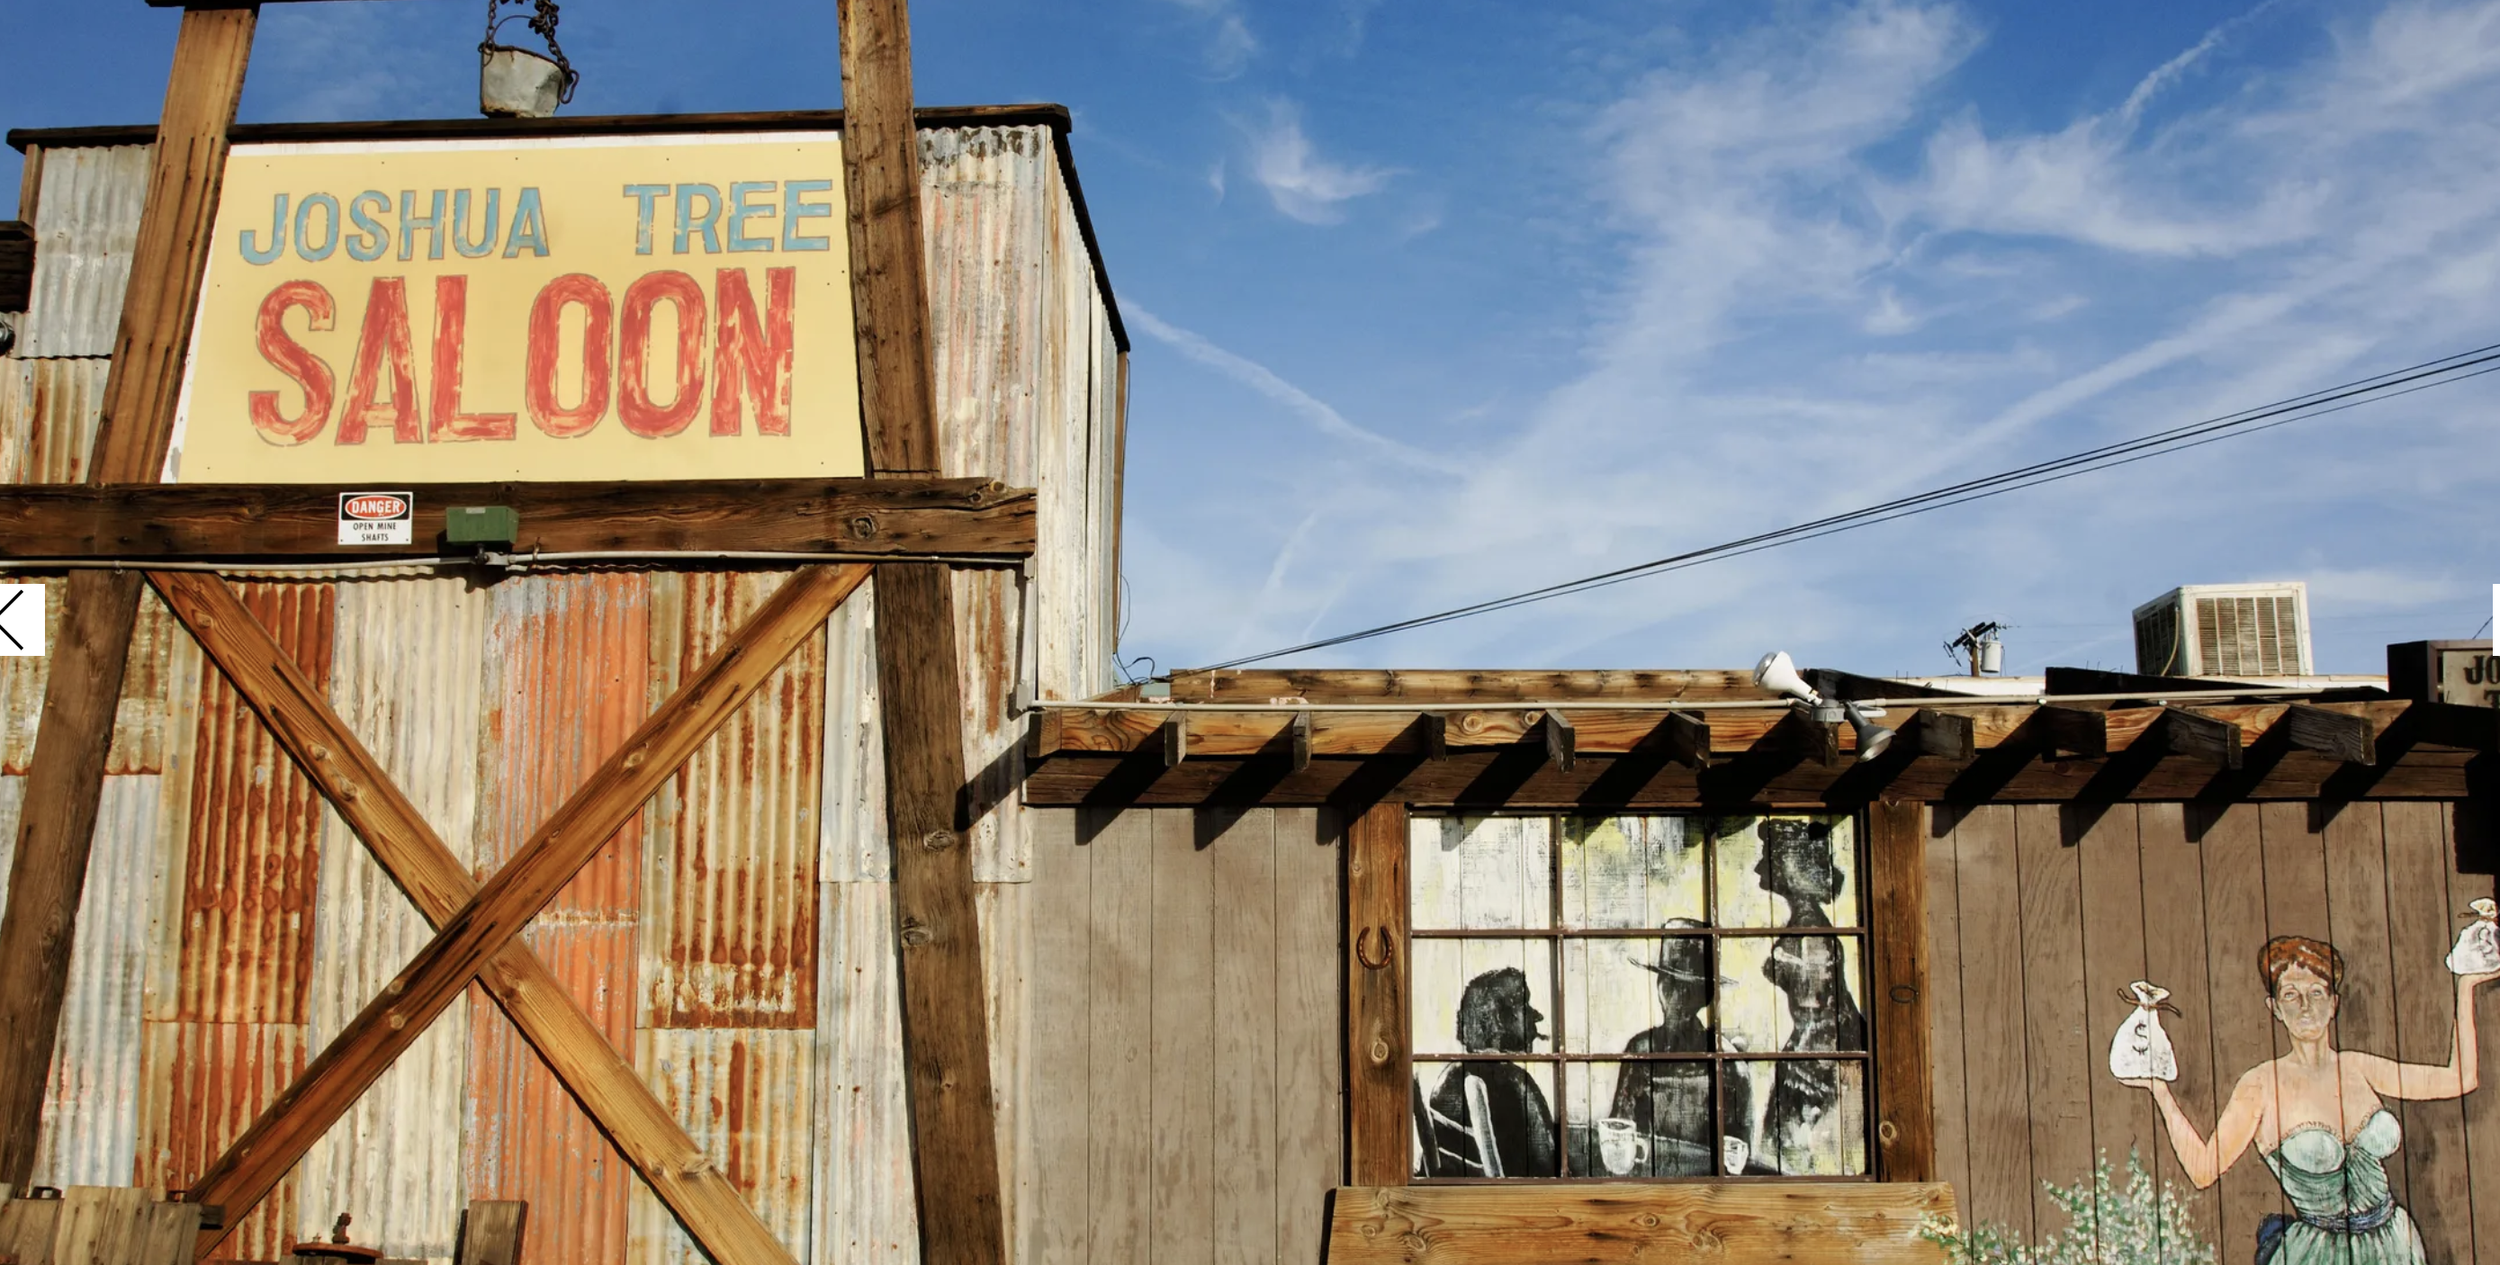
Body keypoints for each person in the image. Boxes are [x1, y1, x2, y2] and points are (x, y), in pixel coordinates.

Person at [2123, 935, 2500, 1265]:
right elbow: (2204, 1170)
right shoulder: (2260, 1085)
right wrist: (2160, 1090)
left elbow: (2461, 1078)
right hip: (2318, 1254)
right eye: (2291, 994)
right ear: (2274, 1008)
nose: (2305, 1006)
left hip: (2396, 1245)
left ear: (2334, 1003)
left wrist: (2466, 985)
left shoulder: (2359, 1068)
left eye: (2316, 993)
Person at [1609, 923, 1748, 1174]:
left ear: (1705, 995)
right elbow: (1619, 1133)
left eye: (1688, 987)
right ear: (1660, 984)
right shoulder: (1640, 1051)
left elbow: (1738, 1155)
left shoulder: (1729, 1065)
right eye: (1669, 982)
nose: (1676, 996)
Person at [1423, 966, 1559, 1177]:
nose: (1537, 1016)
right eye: (1524, 1004)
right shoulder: (1517, 1085)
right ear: (1499, 1019)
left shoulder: (1447, 1078)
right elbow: (1551, 1170)